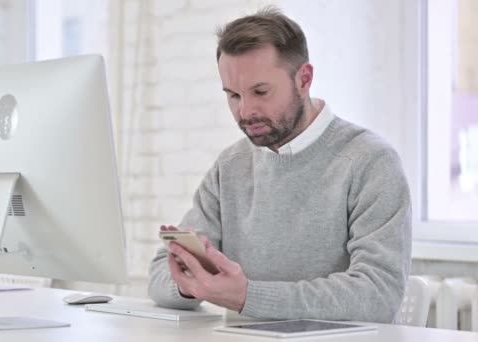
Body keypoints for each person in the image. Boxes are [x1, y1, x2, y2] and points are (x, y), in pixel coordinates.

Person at [147, 6, 411, 323]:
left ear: (304, 78)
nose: (245, 112)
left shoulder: (370, 162)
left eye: (260, 91)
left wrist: (247, 296)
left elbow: (376, 294)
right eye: (233, 95)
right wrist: (192, 283)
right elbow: (160, 274)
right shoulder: (230, 167)